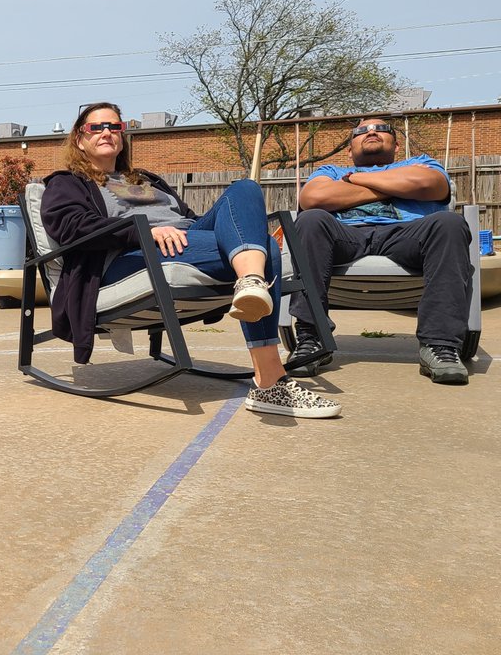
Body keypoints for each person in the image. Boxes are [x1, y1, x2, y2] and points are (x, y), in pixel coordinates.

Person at [41, 102, 341, 419]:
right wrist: (142, 232)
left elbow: (187, 220)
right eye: (96, 127)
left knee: (245, 188)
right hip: (130, 255)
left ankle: (251, 281)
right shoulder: (67, 183)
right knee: (263, 244)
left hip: (184, 240)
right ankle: (270, 379)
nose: (107, 132)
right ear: (79, 138)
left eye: (115, 127)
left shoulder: (146, 180)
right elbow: (70, 227)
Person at [286, 117, 471, 384]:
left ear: (397, 146)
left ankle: (440, 345)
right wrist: (394, 186)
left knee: (450, 223)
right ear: (349, 150)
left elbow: (429, 185)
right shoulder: (329, 170)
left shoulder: (420, 162)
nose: (371, 131)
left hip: (409, 233)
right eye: (362, 131)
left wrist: (357, 180)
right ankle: (311, 338)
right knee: (310, 219)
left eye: (381, 129)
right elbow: (314, 199)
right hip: (345, 234)